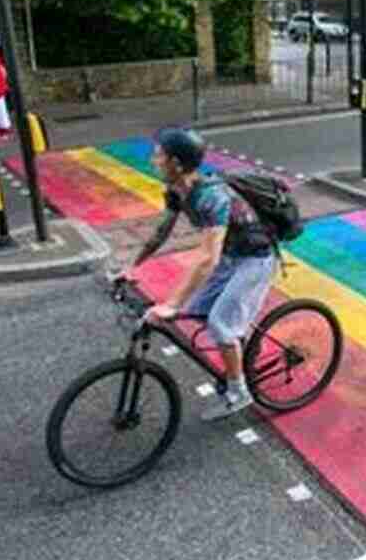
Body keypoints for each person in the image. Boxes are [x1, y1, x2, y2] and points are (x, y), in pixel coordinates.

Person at [116, 127, 277, 422]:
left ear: (176, 164)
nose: (153, 161)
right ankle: (239, 347)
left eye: (159, 156)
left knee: (219, 324)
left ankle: (239, 391)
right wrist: (132, 266)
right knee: (199, 311)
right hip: (232, 258)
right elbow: (161, 232)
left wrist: (171, 304)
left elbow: (208, 257)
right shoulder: (178, 191)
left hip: (255, 260)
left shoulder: (212, 197)